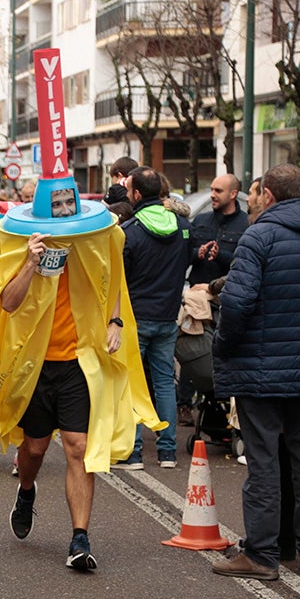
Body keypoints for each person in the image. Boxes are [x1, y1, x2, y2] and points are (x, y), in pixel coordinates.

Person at [0, 175, 163, 571]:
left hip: (79, 363)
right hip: (34, 366)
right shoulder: (16, 244)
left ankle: (80, 539)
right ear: (42, 209)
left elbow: (112, 278)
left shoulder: (95, 238)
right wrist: (30, 262)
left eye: (68, 205)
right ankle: (26, 491)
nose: (64, 212)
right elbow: (8, 303)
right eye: (56, 206)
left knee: (79, 447)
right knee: (35, 448)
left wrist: (114, 320)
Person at [211, 163, 300, 581]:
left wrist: (225, 348)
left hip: (261, 368)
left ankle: (262, 554)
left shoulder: (260, 235)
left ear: (267, 195)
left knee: (262, 462)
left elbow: (238, 303)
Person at [112, 167, 190, 470]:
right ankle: (167, 452)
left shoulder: (129, 231)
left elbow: (120, 277)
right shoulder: (182, 226)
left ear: (137, 195)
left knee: (132, 385)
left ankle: (132, 453)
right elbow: (189, 258)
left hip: (136, 319)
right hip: (168, 315)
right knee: (164, 383)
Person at [180, 173, 248, 426]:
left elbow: (244, 264)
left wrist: (222, 255)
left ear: (233, 194)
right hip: (198, 299)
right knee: (192, 350)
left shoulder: (245, 224)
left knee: (223, 352)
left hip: (226, 300)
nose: (212, 195)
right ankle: (185, 404)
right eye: (211, 189)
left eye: (218, 190)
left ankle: (223, 405)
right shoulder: (202, 220)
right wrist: (196, 254)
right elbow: (185, 256)